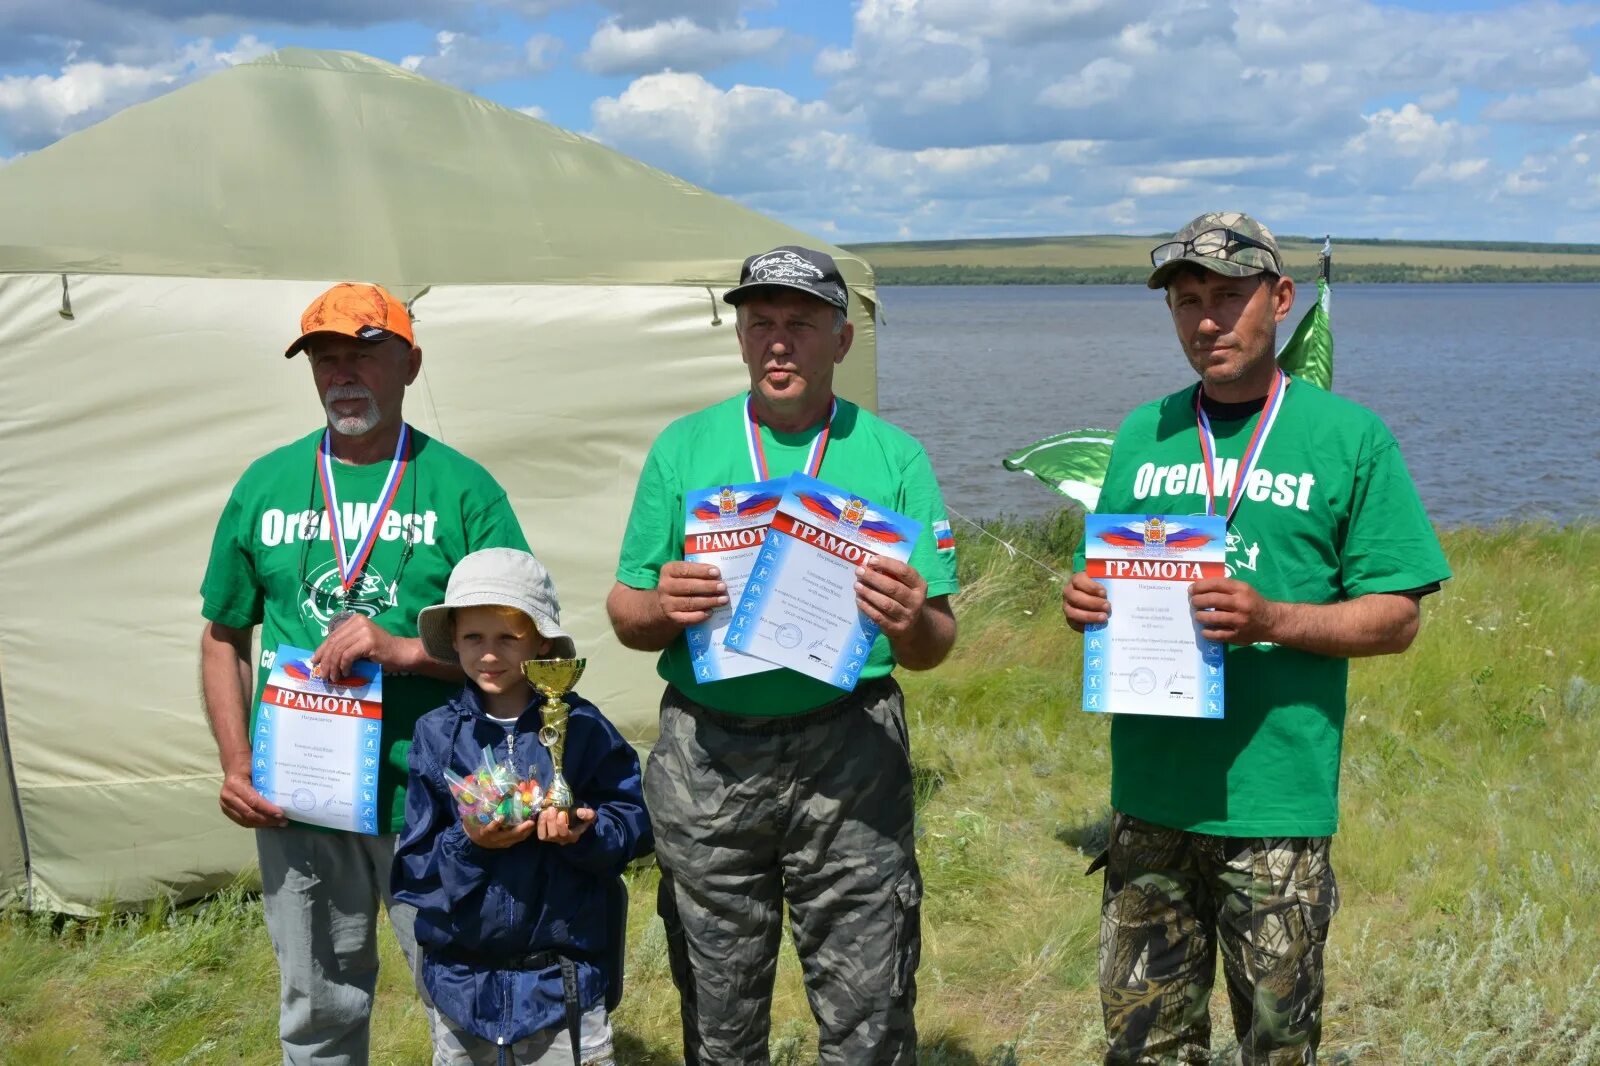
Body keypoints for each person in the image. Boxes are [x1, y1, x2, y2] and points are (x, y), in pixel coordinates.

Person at [1062, 212, 1452, 1065]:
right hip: (1151, 800)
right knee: (1142, 1045)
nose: (1206, 321)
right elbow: (1124, 580)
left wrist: (1272, 619)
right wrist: (1092, 603)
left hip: (1275, 808)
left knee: (1276, 1048)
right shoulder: (1143, 432)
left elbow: (1398, 617)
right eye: (1188, 301)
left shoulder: (1348, 437)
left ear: (1279, 300)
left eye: (1229, 298)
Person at [607, 245, 960, 1065]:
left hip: (851, 752)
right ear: (737, 336)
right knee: (719, 1010)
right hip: (708, 754)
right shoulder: (685, 449)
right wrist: (664, 607)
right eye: (759, 321)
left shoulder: (893, 456)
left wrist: (910, 619)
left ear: (841, 340)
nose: (777, 341)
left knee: (868, 1006)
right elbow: (626, 611)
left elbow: (936, 642)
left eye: (799, 324)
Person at [198, 282, 531, 1065]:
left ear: (410, 363)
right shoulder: (265, 485)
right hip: (301, 801)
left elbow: (521, 646)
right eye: (325, 358)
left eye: (363, 354)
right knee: (317, 1011)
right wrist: (236, 765)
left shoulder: (464, 490)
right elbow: (222, 635)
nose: (342, 373)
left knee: (467, 1000)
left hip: (438, 796)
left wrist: (406, 651)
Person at [393, 547, 651, 1066]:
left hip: (563, 983)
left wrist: (586, 833)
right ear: (455, 642)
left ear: (542, 642)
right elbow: (414, 870)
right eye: (473, 637)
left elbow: (634, 824)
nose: (489, 654)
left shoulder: (584, 726)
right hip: (461, 985)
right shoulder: (436, 735)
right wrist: (470, 841)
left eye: (508, 637)